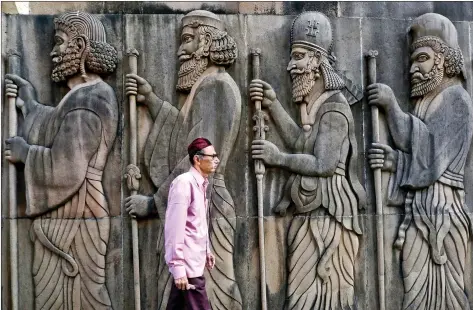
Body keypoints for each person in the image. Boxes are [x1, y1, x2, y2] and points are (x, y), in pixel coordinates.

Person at [124, 10, 242, 309]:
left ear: (206, 43)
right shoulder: (207, 85)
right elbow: (187, 134)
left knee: (212, 295)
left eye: (187, 40)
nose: (180, 51)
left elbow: (195, 157)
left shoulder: (215, 87)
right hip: (201, 203)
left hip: (208, 204)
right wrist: (152, 100)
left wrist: (153, 203)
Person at [249, 11, 365, 309]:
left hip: (329, 215)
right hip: (311, 211)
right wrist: (274, 105)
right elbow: (303, 144)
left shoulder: (334, 109)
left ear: (316, 62)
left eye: (298, 57)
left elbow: (323, 164)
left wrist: (279, 158)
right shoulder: (317, 106)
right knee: (301, 295)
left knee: (317, 298)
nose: (291, 66)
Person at [4, 11, 118, 309]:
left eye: (60, 43)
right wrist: (30, 104)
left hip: (78, 210)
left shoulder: (91, 100)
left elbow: (68, 167)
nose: (53, 52)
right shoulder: (83, 95)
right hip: (71, 209)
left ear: (79, 46)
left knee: (81, 297)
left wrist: (26, 153)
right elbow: (55, 123)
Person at [367, 13, 472, 309]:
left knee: (444, 295)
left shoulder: (456, 100)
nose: (413, 69)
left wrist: (392, 110)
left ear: (442, 60)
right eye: (413, 61)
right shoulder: (427, 102)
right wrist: (395, 156)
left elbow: (432, 157)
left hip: (442, 213)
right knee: (414, 292)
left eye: (422, 59)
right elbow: (415, 142)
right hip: (422, 210)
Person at [165, 137, 217, 310]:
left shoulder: (200, 185)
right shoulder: (184, 183)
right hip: (189, 269)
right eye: (212, 156)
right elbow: (175, 229)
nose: (216, 160)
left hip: (193, 263)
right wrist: (178, 267)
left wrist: (206, 249)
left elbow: (197, 224)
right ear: (197, 159)